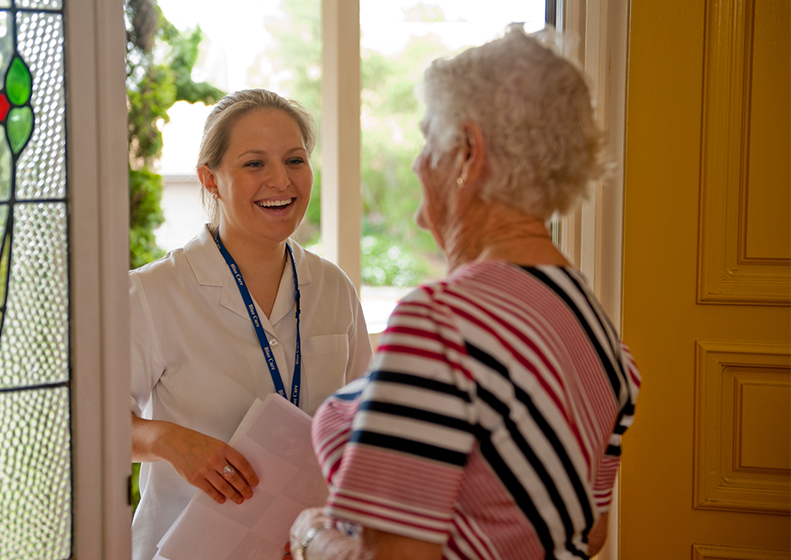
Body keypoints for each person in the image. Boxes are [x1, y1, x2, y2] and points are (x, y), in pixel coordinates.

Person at [286, 25, 641, 560]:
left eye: (429, 139)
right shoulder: (596, 327)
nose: (416, 162)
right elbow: (590, 535)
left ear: (468, 154)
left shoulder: (440, 323)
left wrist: (312, 535)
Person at [129, 89, 373, 560]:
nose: (281, 181)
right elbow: (90, 426)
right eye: (254, 164)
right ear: (211, 179)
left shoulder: (333, 287)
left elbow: (361, 427)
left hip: (305, 547)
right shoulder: (154, 293)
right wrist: (168, 440)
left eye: (295, 160)